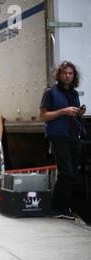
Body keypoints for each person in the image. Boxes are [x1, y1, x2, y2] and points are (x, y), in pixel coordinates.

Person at [40, 61, 86, 219]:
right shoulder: (50, 92)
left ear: (74, 76)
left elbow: (74, 115)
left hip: (73, 135)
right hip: (59, 136)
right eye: (65, 73)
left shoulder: (74, 93)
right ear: (59, 74)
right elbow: (43, 116)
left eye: (70, 73)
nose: (68, 76)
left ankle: (63, 206)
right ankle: (57, 207)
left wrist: (80, 113)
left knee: (72, 173)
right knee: (65, 172)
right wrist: (62, 111)